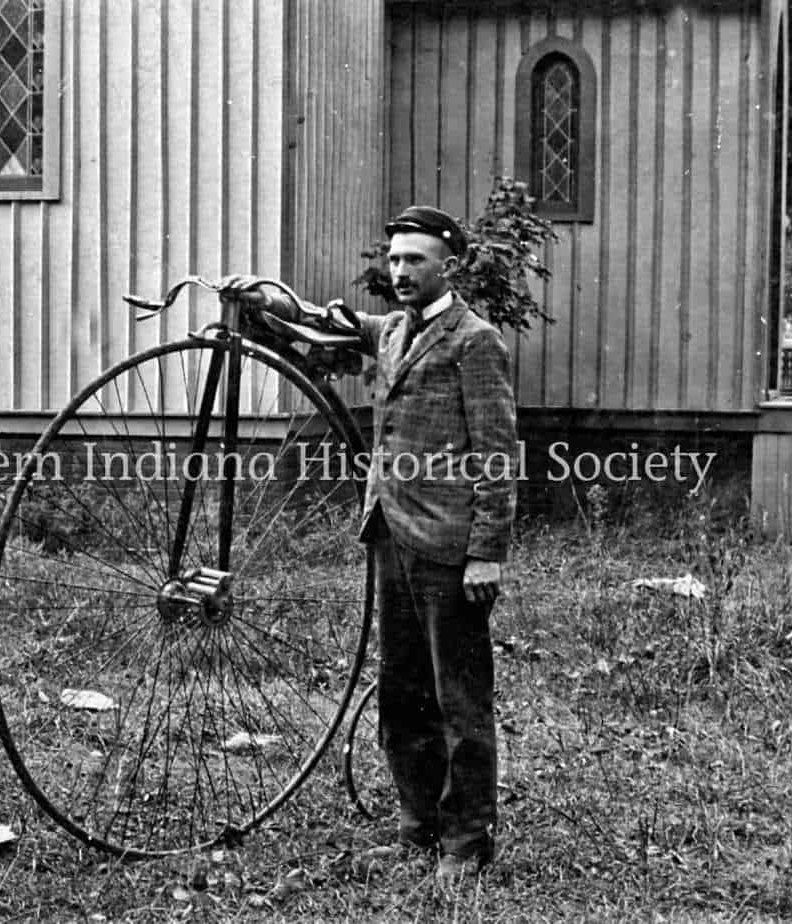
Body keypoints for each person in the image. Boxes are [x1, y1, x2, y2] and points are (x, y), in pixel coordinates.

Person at [225, 205, 519, 885]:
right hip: (389, 533)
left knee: (458, 701)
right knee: (401, 693)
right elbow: (321, 323)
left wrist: (486, 551)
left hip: (449, 546)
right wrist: (264, 300)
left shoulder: (474, 342)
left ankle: (466, 843)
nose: (399, 271)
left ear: (450, 266)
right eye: (392, 260)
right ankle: (418, 827)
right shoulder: (389, 332)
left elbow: (498, 453)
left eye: (413, 260)